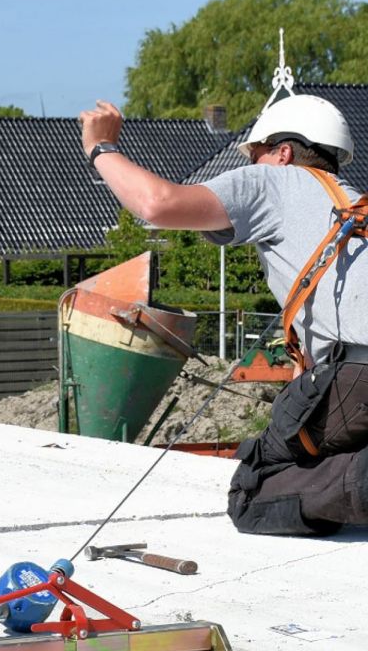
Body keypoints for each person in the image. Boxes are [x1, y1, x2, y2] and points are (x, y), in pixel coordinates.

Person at [79, 95, 368, 536]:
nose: (249, 165)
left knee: (254, 492)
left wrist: (101, 147)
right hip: (348, 375)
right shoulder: (353, 205)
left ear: (283, 153)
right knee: (315, 463)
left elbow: (158, 204)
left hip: (357, 377)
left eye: (255, 155)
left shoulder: (276, 182)